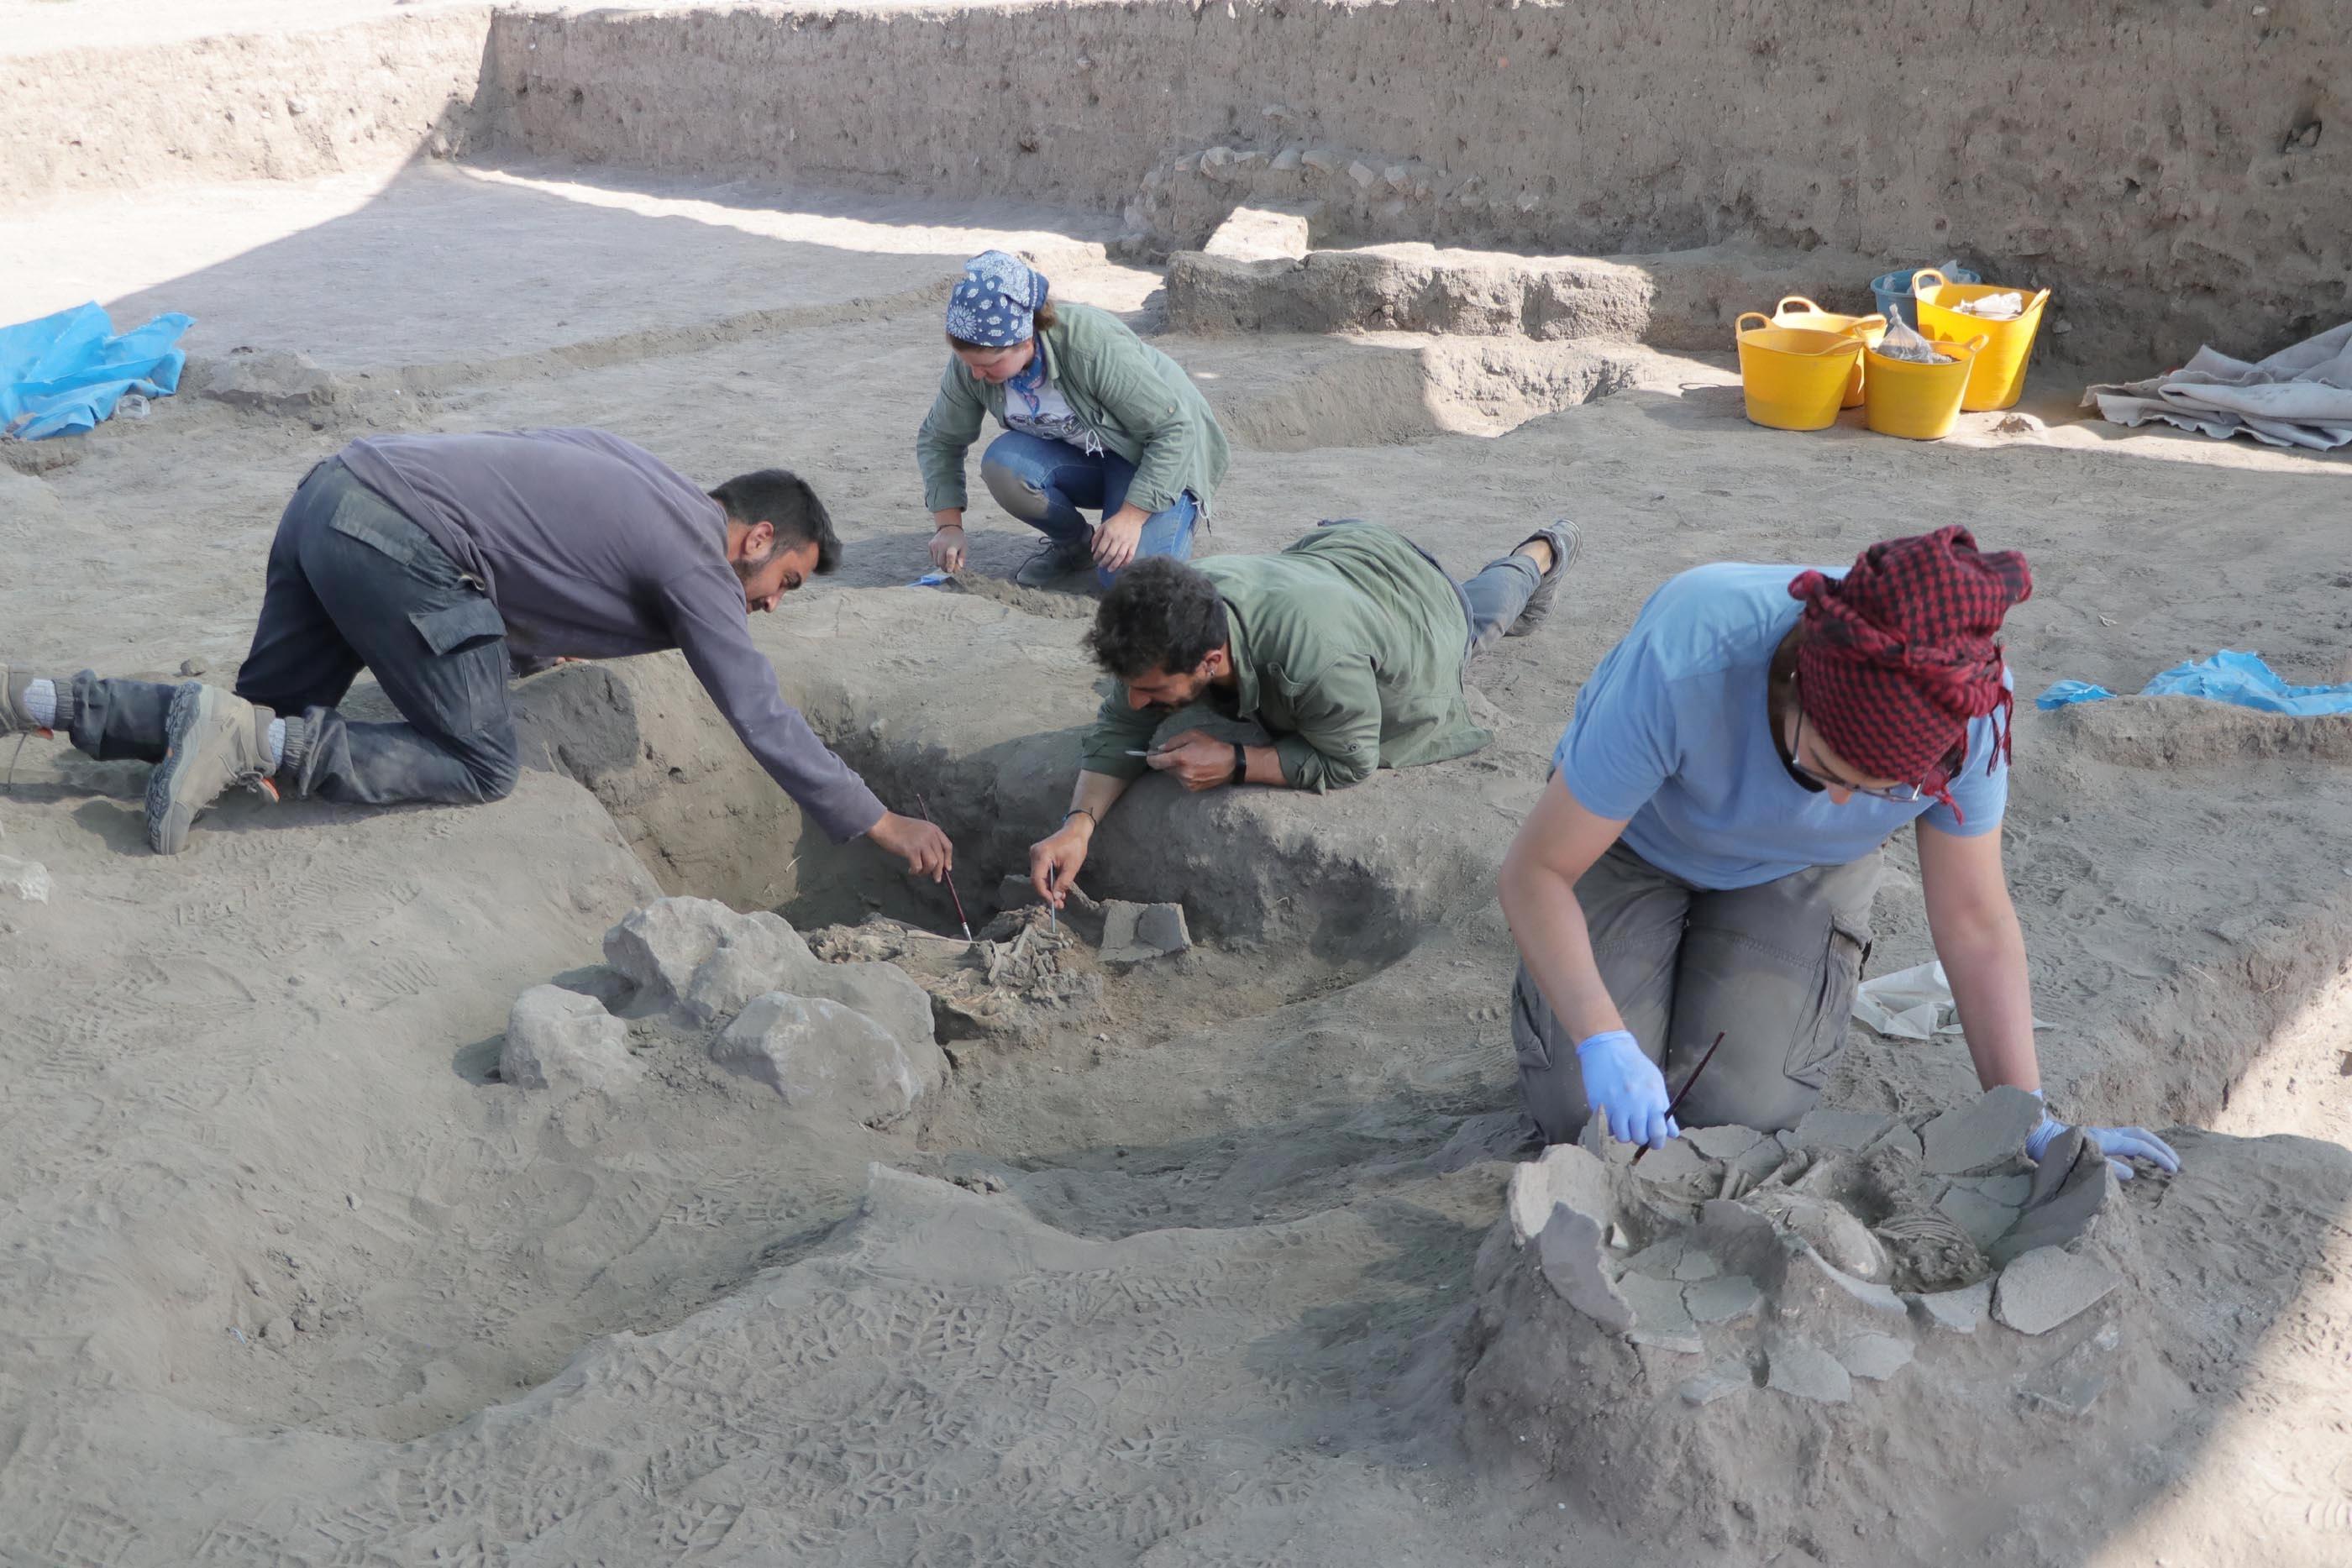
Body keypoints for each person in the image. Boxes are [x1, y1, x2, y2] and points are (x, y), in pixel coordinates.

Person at [1495, 526, 2178, 1182]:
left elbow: (1973, 919)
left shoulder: (1969, 709)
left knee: (1742, 1113)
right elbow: (1537, 871)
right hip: (1632, 843)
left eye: (1882, 790)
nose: (1844, 805)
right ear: (1795, 683)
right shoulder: (1691, 653)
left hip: (1799, 870)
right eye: (1822, 767)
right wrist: (1601, 1038)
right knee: (1586, 1114)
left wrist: (2029, 1118)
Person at [1, 427, 953, 877]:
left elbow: (524, 563)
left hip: (330, 497)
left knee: (257, 716)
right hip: (397, 543)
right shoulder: (698, 562)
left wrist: (520, 657)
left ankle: (43, 702)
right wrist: (880, 824)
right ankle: (258, 744)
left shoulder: (645, 479)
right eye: (785, 581)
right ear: (755, 541)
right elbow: (757, 709)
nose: (772, 606)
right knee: (483, 760)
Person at [1028, 517, 1579, 902]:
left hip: (1414, 603)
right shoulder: (1177, 613)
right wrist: (1078, 825)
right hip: (1343, 557)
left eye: (1150, 690)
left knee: (1475, 619)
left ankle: (1541, 551)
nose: (1136, 702)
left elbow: (1350, 758)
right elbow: (1120, 722)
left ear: (1210, 660)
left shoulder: (1314, 660)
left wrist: (1238, 761)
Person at [916, 249, 1229, 590]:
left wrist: (1131, 517)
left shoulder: (1091, 345)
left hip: (1155, 455)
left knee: (1133, 584)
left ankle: (1167, 518)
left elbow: (1174, 431)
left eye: (989, 365)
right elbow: (941, 439)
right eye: (969, 363)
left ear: (1024, 340)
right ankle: (1075, 546)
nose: (976, 374)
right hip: (1090, 455)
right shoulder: (972, 365)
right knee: (1003, 465)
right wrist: (948, 527)